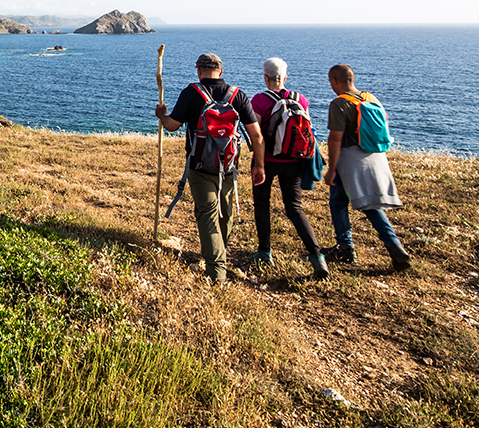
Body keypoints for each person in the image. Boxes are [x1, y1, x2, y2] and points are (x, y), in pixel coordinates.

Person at [156, 53, 266, 285]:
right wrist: (259, 165)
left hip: (199, 166)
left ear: (198, 70)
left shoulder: (191, 93)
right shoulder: (238, 95)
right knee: (225, 214)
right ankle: (219, 255)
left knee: (207, 214)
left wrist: (162, 115)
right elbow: (256, 135)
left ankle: (217, 272)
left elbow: (173, 126)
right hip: (229, 167)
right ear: (221, 71)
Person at [322, 64, 410, 272]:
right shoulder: (371, 98)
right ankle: (389, 245)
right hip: (374, 156)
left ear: (334, 81)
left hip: (350, 159)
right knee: (365, 203)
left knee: (344, 203)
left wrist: (331, 169)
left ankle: (349, 247)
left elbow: (335, 139)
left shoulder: (339, 104)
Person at [249, 58, 328, 279]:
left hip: (267, 161)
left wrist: (259, 164)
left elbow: (257, 136)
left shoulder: (259, 100)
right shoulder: (300, 99)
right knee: (294, 208)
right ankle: (316, 256)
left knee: (262, 205)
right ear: (285, 77)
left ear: (265, 78)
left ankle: (264, 252)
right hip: (293, 161)